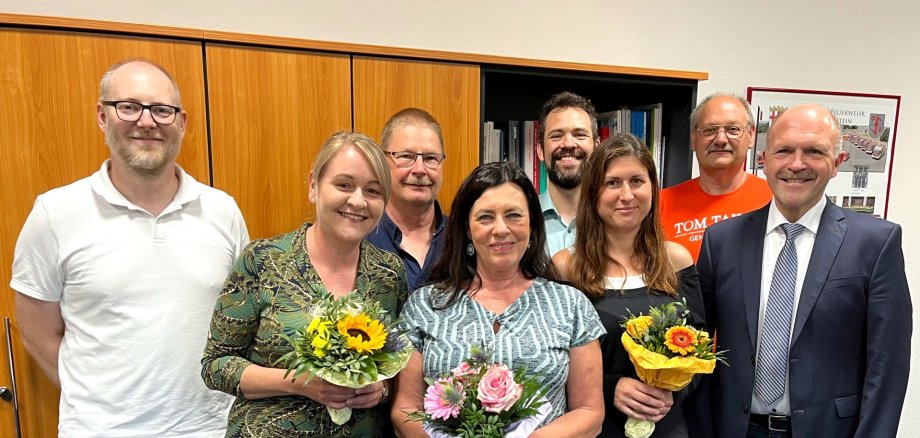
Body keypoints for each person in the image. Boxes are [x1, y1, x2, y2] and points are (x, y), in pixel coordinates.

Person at [10, 59, 250, 436]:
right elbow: (38, 335)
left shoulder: (222, 210)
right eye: (129, 107)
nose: (147, 121)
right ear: (103, 117)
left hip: (210, 428)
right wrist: (102, 399)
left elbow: (239, 322)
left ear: (182, 123)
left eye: (161, 110)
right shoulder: (55, 213)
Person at [697, 104, 911, 437]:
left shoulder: (876, 243)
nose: (797, 164)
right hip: (735, 429)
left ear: (837, 163)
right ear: (764, 158)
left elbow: (888, 365)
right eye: (784, 150)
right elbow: (695, 350)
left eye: (814, 152)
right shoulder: (721, 241)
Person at [201, 131, 408, 437]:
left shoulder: (388, 273)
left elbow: (400, 366)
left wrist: (382, 390)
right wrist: (300, 382)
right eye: (344, 185)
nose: (358, 201)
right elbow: (215, 367)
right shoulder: (262, 262)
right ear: (314, 185)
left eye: (373, 191)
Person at [391, 161, 606, 437]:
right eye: (485, 217)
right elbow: (404, 411)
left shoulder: (571, 305)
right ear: (467, 229)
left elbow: (590, 413)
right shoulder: (424, 306)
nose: (501, 229)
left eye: (514, 215)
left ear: (532, 224)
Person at [554, 133, 704, 437]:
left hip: (668, 426)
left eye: (637, 181)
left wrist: (672, 393)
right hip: (596, 429)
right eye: (613, 183)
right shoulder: (565, 268)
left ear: (652, 189)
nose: (627, 195)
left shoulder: (677, 261)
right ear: (593, 192)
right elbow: (551, 361)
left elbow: (701, 353)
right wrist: (610, 387)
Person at [660, 93, 772, 261]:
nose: (720, 139)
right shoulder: (661, 202)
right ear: (693, 139)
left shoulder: (774, 199)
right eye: (710, 130)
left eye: (732, 129)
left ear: (751, 135)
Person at [367, 108, 447, 292]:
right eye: (406, 156)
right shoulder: (359, 239)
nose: (419, 169)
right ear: (382, 162)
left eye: (430, 158)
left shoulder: (462, 239)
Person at [537, 91, 600, 256]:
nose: (568, 144)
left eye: (580, 135)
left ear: (597, 147)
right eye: (556, 136)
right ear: (540, 150)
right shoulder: (521, 221)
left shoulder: (617, 221)